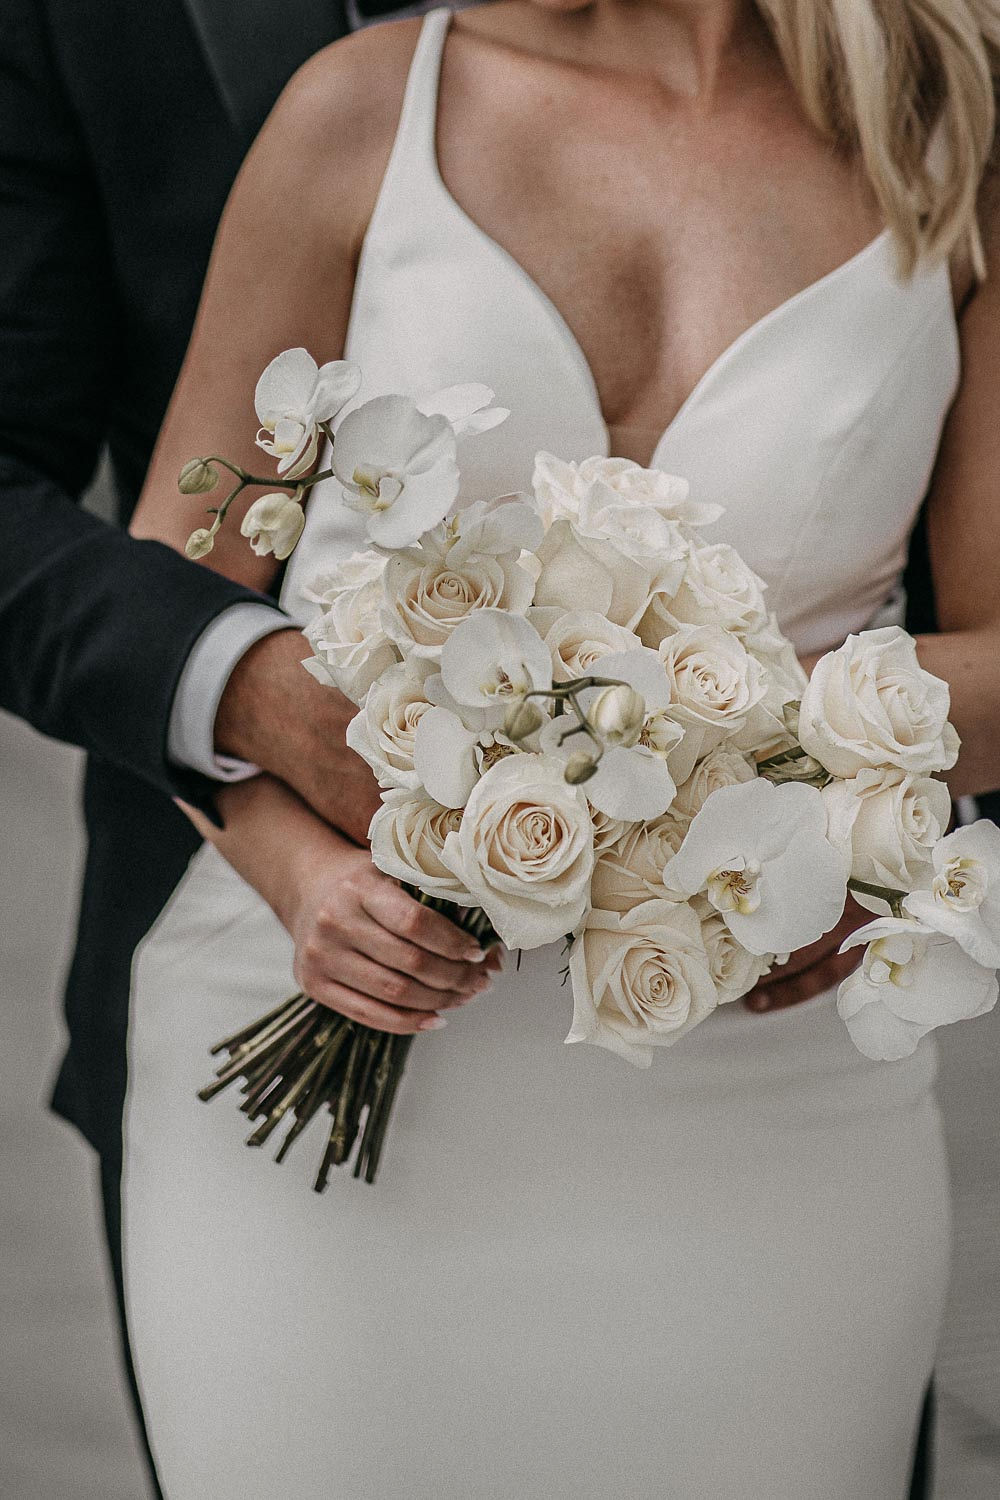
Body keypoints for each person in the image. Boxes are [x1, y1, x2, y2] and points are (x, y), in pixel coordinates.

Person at [118, 1, 1000, 1494]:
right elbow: (175, 586)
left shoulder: (944, 145)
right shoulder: (363, 111)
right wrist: (297, 878)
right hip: (330, 1066)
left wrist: (769, 775)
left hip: (766, 1107)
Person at [0, 1, 407, 1493]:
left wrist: (868, 831)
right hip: (246, 958)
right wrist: (247, 691)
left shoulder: (868, 45)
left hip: (756, 1069)